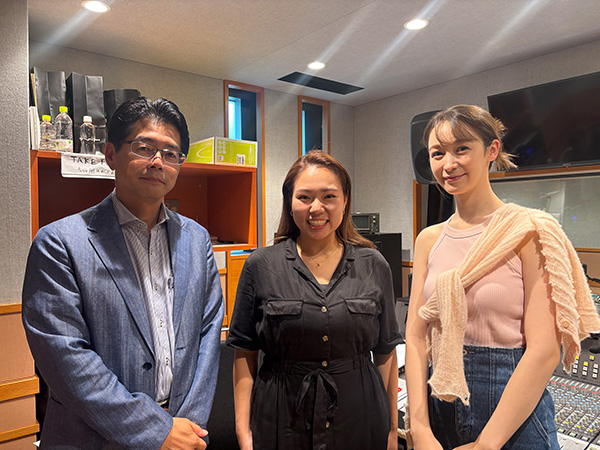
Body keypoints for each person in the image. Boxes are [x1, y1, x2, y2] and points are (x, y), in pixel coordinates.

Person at [22, 97, 225, 450]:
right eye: (144, 148)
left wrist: (187, 428)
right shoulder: (59, 243)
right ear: (111, 154)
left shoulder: (197, 239)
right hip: (91, 438)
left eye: (171, 153)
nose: (157, 162)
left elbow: (208, 336)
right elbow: (65, 357)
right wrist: (157, 431)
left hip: (184, 432)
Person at [404, 104, 600, 450]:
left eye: (461, 149)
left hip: (513, 415)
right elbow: (416, 337)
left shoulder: (529, 230)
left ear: (491, 150)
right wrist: (419, 428)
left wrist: (486, 444)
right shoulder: (428, 239)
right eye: (437, 153)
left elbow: (544, 351)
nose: (448, 164)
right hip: (441, 407)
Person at [227, 150, 401, 450]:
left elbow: (385, 352)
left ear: (345, 201)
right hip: (281, 418)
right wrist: (244, 433)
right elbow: (245, 352)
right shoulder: (261, 265)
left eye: (328, 197)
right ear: (290, 202)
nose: (316, 208)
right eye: (304, 197)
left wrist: (392, 430)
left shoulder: (373, 264)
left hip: (360, 417)